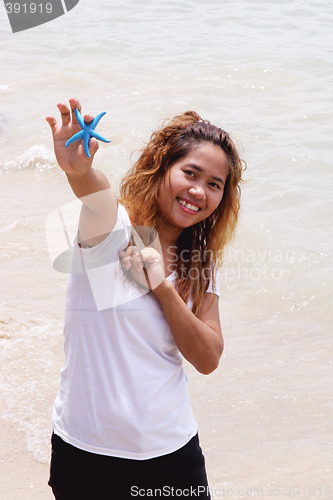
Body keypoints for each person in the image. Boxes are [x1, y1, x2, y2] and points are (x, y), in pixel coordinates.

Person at [45, 98, 244, 499]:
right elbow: (94, 189)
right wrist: (78, 170)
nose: (197, 191)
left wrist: (162, 288)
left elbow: (208, 358)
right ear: (161, 166)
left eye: (213, 184)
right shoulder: (113, 230)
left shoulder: (198, 264)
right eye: (190, 173)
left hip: (171, 451)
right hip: (87, 452)